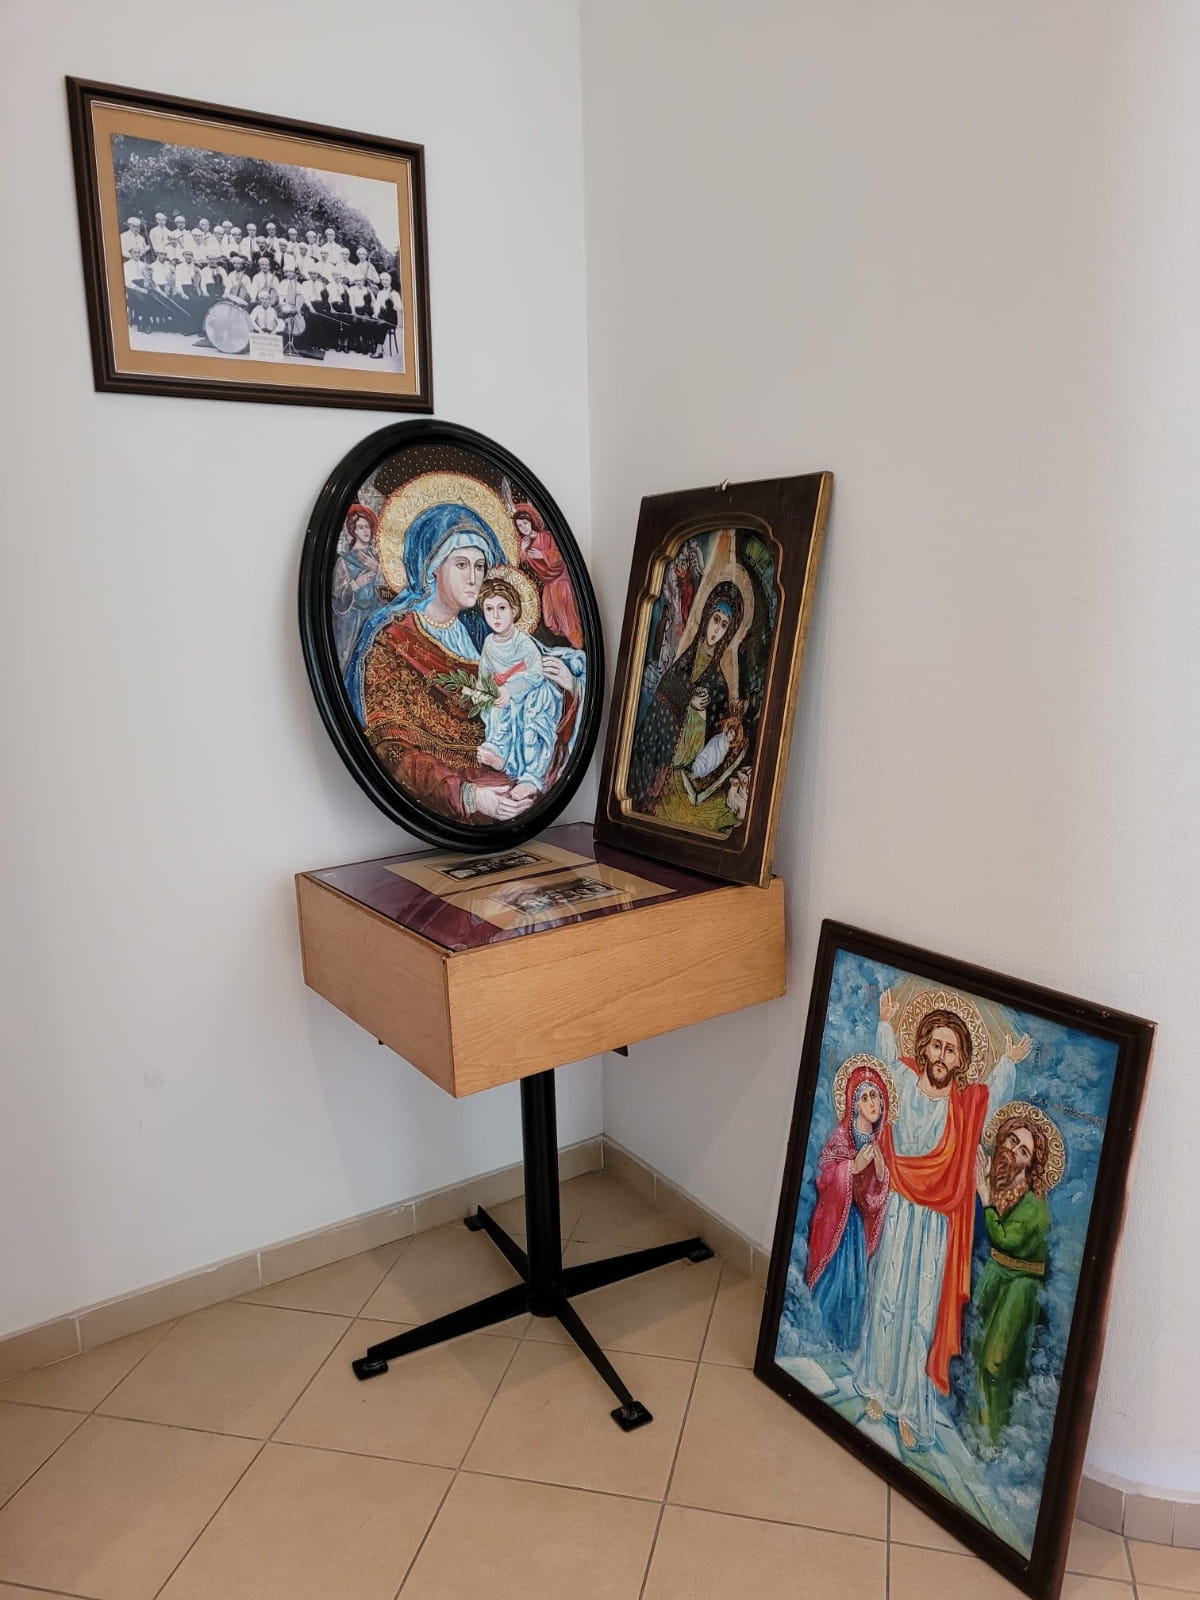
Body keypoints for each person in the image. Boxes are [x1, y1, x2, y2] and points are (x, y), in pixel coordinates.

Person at [853, 993, 1028, 1450]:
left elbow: (991, 1096)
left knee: (920, 1315)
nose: (941, 1056)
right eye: (936, 1045)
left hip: (935, 1224)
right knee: (886, 1299)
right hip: (899, 1209)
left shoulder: (963, 1105)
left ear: (960, 1060)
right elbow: (884, 1064)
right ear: (924, 1046)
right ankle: (876, 1389)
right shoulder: (903, 1083)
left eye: (951, 1050)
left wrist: (1007, 1063)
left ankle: (909, 1409)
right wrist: (885, 1023)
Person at [347, 503, 583, 825]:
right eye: (461, 564)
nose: (473, 578)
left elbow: (538, 692)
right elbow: (390, 750)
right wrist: (468, 796)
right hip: (454, 802)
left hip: (510, 784)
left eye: (480, 566)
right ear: (432, 566)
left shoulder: (486, 632)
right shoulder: (394, 642)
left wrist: (570, 686)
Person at [969, 1109, 1054, 1445]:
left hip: (1020, 1286)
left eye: (1024, 1151)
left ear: (1031, 1165)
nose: (1013, 1151)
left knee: (996, 1361)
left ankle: (993, 1437)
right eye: (1012, 1140)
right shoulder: (998, 1178)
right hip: (996, 1273)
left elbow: (1005, 1239)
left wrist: (984, 1196)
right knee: (976, 1347)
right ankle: (975, 1427)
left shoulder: (1035, 1206)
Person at [627, 582, 742, 814]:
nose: (716, 630)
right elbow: (663, 691)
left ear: (728, 632)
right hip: (657, 740)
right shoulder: (684, 658)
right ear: (707, 616)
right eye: (715, 619)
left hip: (680, 762)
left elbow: (713, 738)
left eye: (724, 625)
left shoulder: (719, 682)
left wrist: (699, 712)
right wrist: (689, 700)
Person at [806, 1059, 894, 1349]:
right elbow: (823, 1176)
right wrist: (851, 1168)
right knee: (834, 1283)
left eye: (875, 1096)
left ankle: (843, 1346)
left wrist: (880, 1175)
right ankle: (818, 1339)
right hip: (836, 1226)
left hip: (855, 1228)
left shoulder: (876, 1145)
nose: (872, 1103)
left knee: (854, 1288)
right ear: (854, 1104)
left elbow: (871, 1202)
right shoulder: (841, 1137)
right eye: (865, 1097)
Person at [476, 573, 581, 801]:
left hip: (535, 692)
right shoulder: (489, 643)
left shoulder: (523, 642)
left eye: (502, 608)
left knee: (533, 718)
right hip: (506, 694)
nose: (496, 616)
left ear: (514, 610)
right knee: (495, 709)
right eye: (489, 609)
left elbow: (535, 674)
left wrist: (510, 690)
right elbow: (484, 674)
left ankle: (531, 777)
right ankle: (502, 755)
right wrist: (483, 692)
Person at [514, 502, 583, 647]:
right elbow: (518, 564)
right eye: (520, 526)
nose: (523, 528)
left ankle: (578, 645)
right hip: (548, 584)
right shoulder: (525, 543)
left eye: (525, 523)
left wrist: (543, 554)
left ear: (531, 522)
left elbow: (560, 557)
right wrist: (523, 550)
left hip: (560, 581)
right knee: (550, 621)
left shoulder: (546, 536)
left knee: (567, 619)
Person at [331, 505, 383, 671]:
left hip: (374, 617)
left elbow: (393, 590)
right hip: (352, 623)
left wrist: (378, 571)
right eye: (361, 527)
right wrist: (355, 584)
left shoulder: (377, 559)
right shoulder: (344, 562)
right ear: (353, 531)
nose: (366, 531)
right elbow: (337, 600)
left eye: (367, 526)